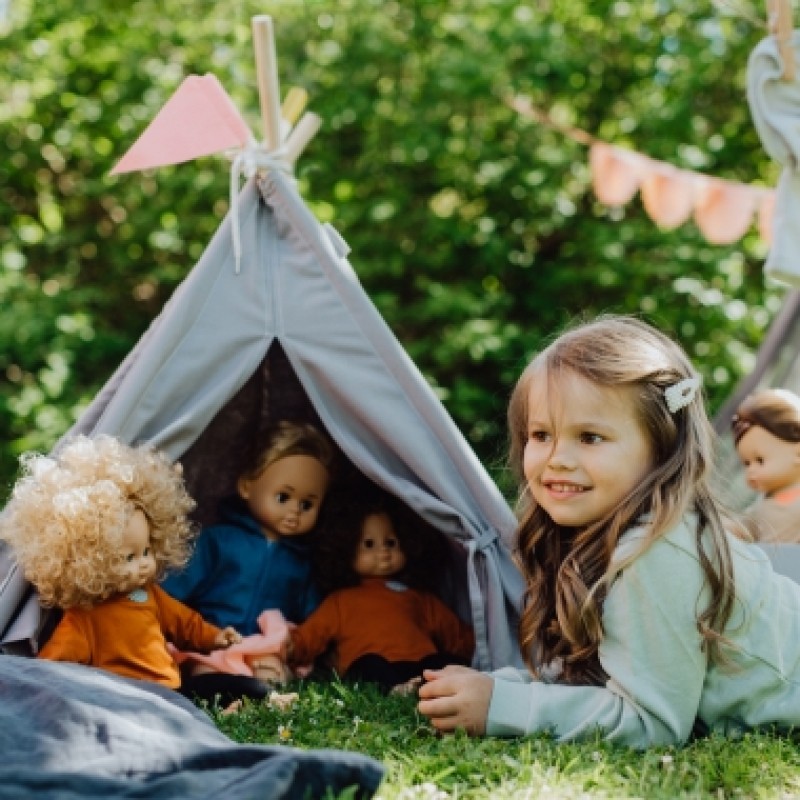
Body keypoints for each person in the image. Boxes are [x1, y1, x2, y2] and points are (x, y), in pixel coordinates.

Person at [418, 314, 800, 747]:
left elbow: (650, 722)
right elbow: (609, 669)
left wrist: (501, 706)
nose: (557, 458)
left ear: (661, 446)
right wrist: (495, 685)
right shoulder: (597, 529)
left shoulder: (658, 553)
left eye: (590, 437)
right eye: (541, 434)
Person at [0, 435, 241, 693]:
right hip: (125, 695)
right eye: (129, 557)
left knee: (234, 685)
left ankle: (243, 694)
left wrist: (215, 637)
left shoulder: (150, 595)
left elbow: (185, 623)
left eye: (147, 551)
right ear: (91, 561)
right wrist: (35, 682)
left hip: (170, 688)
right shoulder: (85, 616)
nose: (144, 565)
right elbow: (57, 659)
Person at [162, 420, 335, 688]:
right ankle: (222, 689)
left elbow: (313, 616)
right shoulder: (219, 541)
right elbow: (177, 587)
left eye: (307, 504)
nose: (294, 511)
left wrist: (300, 642)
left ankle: (259, 693)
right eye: (283, 497)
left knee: (272, 676)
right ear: (246, 486)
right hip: (215, 637)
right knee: (205, 673)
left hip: (266, 645)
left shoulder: (300, 561)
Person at [286, 491, 474, 694]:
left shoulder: (418, 597)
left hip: (420, 665)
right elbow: (315, 632)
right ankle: (396, 688)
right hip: (374, 665)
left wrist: (481, 644)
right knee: (367, 665)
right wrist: (292, 647)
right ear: (346, 549)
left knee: (441, 662)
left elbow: (453, 632)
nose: (383, 552)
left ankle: (425, 684)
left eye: (391, 542)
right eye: (369, 544)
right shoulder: (341, 600)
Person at [732, 388, 800, 542]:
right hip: (764, 564)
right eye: (747, 464)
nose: (751, 471)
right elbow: (742, 528)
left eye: (760, 460)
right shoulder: (762, 504)